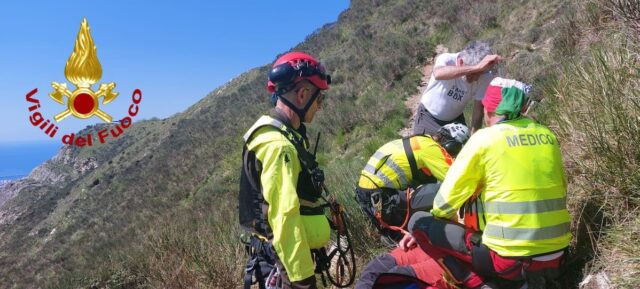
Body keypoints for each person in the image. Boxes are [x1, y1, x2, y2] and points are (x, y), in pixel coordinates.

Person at [403, 77, 571, 289]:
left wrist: (449, 223)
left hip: (510, 263)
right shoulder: (548, 135)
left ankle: (480, 284)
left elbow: (443, 204)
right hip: (558, 258)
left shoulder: (484, 139)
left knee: (419, 222)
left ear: (489, 110)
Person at [238, 51, 332, 289]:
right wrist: (302, 282)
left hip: (278, 261)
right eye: (319, 99)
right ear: (302, 95)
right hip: (284, 268)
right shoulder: (280, 146)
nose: (319, 107)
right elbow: (284, 219)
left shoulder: (283, 134)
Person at [355, 123, 470, 244]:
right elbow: (456, 180)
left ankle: (395, 234)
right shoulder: (430, 148)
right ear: (452, 144)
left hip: (369, 197)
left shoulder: (419, 140)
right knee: (442, 190)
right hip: (385, 202)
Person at [414, 40, 501, 136]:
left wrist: (473, 138)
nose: (476, 78)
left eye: (480, 74)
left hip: (456, 121)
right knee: (424, 150)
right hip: (429, 118)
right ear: (460, 62)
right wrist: (476, 68)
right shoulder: (447, 59)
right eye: (473, 74)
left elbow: (478, 110)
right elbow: (438, 74)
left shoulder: (485, 76)